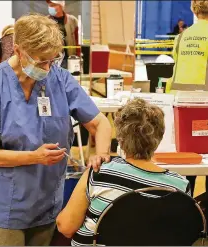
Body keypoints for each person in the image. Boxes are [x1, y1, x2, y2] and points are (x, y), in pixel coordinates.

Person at [0, 13, 112, 246]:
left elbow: (100, 123)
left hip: (47, 201)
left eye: (52, 60)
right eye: (40, 61)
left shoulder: (59, 79)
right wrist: (34, 157)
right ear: (18, 50)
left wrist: (102, 153)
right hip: (6, 204)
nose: (47, 68)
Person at [56, 98, 191, 246]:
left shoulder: (99, 173)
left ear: (120, 139)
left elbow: (66, 227)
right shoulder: (180, 187)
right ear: (159, 138)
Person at [166, 0, 208, 207]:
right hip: (205, 106)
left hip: (182, 107)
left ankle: (186, 210)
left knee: (186, 161)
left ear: (193, 9)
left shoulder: (182, 37)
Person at [46, 0, 80, 69]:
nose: (50, 7)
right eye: (49, 5)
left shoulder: (73, 20)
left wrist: (78, 57)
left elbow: (78, 40)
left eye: (53, 5)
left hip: (71, 59)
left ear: (61, 6)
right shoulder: (45, 21)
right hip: (53, 60)